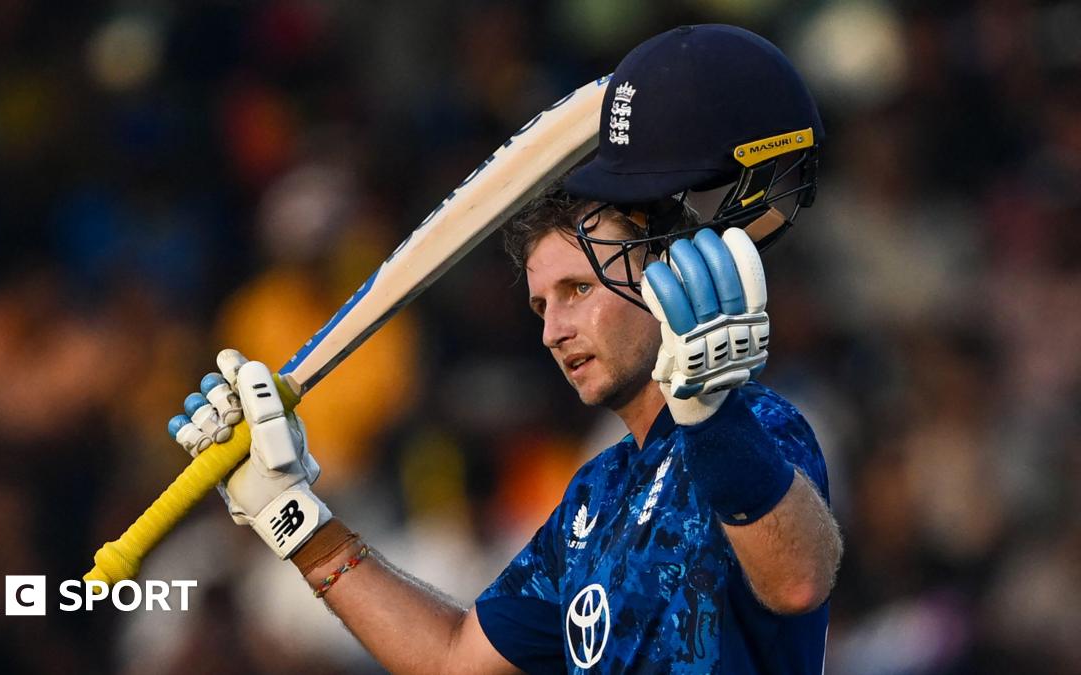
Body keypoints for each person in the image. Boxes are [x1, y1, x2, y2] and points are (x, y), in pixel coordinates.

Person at [169, 24, 842, 674]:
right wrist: (293, 517)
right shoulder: (595, 495)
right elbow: (452, 657)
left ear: (668, 270)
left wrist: (713, 414)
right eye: (542, 305)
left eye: (578, 289)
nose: (554, 330)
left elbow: (799, 582)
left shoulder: (762, 424)